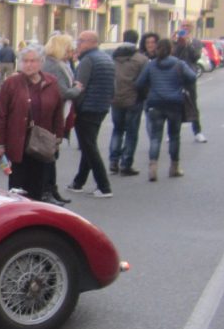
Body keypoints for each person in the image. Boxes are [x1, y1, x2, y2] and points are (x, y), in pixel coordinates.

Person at [0, 45, 66, 203]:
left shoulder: (51, 82)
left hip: (42, 144)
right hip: (18, 144)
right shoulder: (12, 83)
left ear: (41, 62)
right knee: (18, 190)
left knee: (39, 187)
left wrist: (58, 136)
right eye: (25, 61)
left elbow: (58, 113)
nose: (29, 65)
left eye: (33, 61)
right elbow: (0, 115)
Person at [134, 38, 196, 181]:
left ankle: (153, 169)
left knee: (155, 138)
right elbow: (192, 77)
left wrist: (150, 90)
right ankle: (174, 167)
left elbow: (139, 83)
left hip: (155, 103)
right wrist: (181, 82)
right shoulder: (179, 64)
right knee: (174, 136)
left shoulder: (151, 66)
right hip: (175, 104)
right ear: (171, 49)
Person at [67, 30, 116, 198]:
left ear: (90, 42)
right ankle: (78, 182)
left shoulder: (87, 61)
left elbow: (80, 87)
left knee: (89, 147)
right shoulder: (106, 59)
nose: (78, 44)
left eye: (81, 41)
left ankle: (103, 186)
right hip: (101, 107)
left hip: (87, 108)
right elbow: (112, 87)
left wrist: (75, 110)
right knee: (89, 145)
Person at [42, 32, 83, 202]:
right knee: (49, 155)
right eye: (69, 49)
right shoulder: (53, 66)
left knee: (53, 155)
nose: (71, 52)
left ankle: (52, 189)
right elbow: (62, 92)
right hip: (52, 116)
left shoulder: (61, 64)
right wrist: (77, 89)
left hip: (61, 114)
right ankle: (47, 191)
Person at [108, 30, 149, 176]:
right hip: (133, 100)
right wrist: (142, 97)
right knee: (131, 133)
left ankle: (113, 161)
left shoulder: (113, 56)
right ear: (137, 40)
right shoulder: (141, 59)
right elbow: (144, 82)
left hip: (115, 98)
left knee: (117, 129)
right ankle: (126, 164)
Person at [174, 30, 207, 142]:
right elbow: (172, 55)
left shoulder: (195, 42)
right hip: (175, 76)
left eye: (187, 27)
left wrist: (189, 45)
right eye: (183, 26)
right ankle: (173, 132)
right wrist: (176, 42)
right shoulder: (175, 42)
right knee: (174, 106)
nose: (185, 29)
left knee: (192, 104)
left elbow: (196, 57)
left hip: (189, 77)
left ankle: (197, 132)